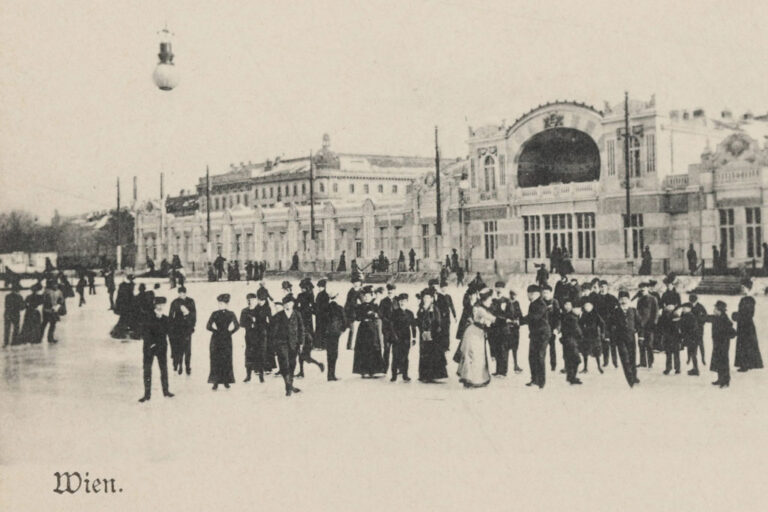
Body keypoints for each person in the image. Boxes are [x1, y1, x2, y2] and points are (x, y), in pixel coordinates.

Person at [456, 288, 496, 387]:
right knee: (474, 355)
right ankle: (471, 379)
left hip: (477, 333)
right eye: (490, 300)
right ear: (485, 300)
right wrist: (507, 320)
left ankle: (475, 378)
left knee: (477, 356)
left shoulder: (479, 307)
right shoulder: (480, 309)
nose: (491, 302)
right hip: (473, 334)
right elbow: (493, 319)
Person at [138, 296, 174, 403]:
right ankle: (147, 394)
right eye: (158, 305)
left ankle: (166, 391)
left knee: (164, 369)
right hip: (149, 348)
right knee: (147, 370)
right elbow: (144, 332)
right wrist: (151, 343)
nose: (160, 307)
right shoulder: (148, 317)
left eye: (162, 305)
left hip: (162, 347)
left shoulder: (165, 318)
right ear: (154, 305)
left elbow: (169, 333)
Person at [271, 296, 304, 396]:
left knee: (292, 364)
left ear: (293, 304)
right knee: (284, 364)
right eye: (285, 303)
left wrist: (301, 343)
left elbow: (301, 329)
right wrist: (275, 345)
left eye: (290, 303)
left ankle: (290, 385)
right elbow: (273, 332)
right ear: (283, 305)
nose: (287, 305)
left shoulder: (297, 314)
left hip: (294, 344)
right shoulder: (278, 316)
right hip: (282, 344)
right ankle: (288, 388)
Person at [206, 294, 239, 390]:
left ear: (226, 304)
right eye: (219, 303)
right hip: (216, 340)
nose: (220, 305)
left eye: (222, 303)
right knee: (215, 359)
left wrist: (230, 333)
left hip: (226, 340)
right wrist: (216, 331)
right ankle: (215, 382)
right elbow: (208, 326)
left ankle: (226, 381)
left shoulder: (231, 313)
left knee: (226, 359)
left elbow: (237, 325)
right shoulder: (214, 313)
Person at [609, 290, 641, 387]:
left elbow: (639, 324)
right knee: (625, 359)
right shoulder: (615, 312)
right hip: (620, 338)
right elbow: (609, 324)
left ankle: (634, 376)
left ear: (629, 300)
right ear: (618, 301)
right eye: (621, 299)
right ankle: (630, 379)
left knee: (632, 358)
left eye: (625, 299)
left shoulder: (634, 311)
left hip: (631, 338)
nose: (623, 301)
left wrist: (640, 335)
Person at [520, 284, 550, 388]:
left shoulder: (541, 304)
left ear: (535, 294)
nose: (528, 296)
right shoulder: (533, 304)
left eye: (529, 294)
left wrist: (519, 321)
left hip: (542, 335)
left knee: (540, 357)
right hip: (534, 334)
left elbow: (534, 317)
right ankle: (534, 379)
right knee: (532, 357)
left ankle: (541, 382)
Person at [353, 286, 386, 378]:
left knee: (374, 348)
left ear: (371, 296)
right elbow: (357, 317)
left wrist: (374, 314)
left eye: (368, 296)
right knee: (363, 349)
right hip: (363, 329)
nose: (366, 297)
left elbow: (380, 315)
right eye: (365, 296)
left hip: (372, 329)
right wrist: (363, 315)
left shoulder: (375, 305)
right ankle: (364, 371)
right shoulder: (360, 306)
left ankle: (375, 370)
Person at [240, 290, 271, 383]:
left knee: (261, 355)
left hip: (260, 336)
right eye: (249, 300)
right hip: (249, 336)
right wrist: (250, 324)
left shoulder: (261, 309)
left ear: (256, 300)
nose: (251, 302)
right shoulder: (244, 311)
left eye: (253, 300)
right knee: (249, 355)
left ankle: (261, 376)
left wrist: (257, 323)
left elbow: (267, 322)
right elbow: (241, 323)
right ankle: (248, 375)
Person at [296, 279, 324, 378]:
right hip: (308, 328)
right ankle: (302, 371)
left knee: (303, 355)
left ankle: (315, 366)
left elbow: (296, 307)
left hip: (303, 328)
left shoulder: (301, 296)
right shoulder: (311, 297)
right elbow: (315, 310)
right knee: (304, 355)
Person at [417, 288, 447, 382]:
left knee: (433, 354)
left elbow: (438, 322)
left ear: (431, 299)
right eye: (424, 298)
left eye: (428, 298)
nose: (426, 299)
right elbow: (419, 320)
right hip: (423, 335)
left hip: (433, 335)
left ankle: (434, 375)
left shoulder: (434, 308)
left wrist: (433, 331)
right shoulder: (421, 308)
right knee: (424, 354)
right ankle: (424, 375)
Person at [733, 278, 763, 372]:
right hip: (743, 324)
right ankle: (746, 363)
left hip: (747, 325)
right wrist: (736, 315)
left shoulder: (750, 300)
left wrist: (738, 316)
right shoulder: (744, 299)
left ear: (748, 288)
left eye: (743, 287)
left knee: (746, 344)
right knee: (744, 344)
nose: (742, 289)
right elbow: (742, 312)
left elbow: (749, 314)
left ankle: (745, 365)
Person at [169, 286, 197, 375]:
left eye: (183, 293)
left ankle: (187, 366)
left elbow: (194, 314)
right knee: (179, 347)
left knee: (188, 349)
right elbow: (171, 315)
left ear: (186, 293)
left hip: (187, 327)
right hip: (177, 328)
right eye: (180, 293)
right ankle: (179, 365)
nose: (182, 295)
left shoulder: (190, 301)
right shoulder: (175, 302)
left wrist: (192, 325)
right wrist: (171, 327)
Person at [488, 281, 514, 377]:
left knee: (504, 349)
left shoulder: (507, 301)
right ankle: (498, 370)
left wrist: (500, 318)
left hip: (503, 328)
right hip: (494, 328)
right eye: (497, 287)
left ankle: (503, 371)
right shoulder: (492, 300)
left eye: (501, 288)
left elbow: (510, 315)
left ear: (504, 289)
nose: (499, 289)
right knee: (496, 349)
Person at [709, 300, 736, 387]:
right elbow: (707, 318)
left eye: (715, 308)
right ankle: (720, 379)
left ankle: (725, 381)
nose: (714, 310)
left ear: (719, 310)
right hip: (717, 343)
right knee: (718, 361)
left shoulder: (725, 319)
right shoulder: (717, 317)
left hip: (723, 344)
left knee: (723, 361)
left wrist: (724, 337)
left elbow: (733, 333)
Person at [391, 293, 416, 382]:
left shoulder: (410, 313)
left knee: (405, 357)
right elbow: (392, 326)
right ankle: (394, 375)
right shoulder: (394, 312)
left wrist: (414, 338)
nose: (402, 303)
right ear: (398, 302)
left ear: (407, 302)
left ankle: (405, 375)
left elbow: (413, 326)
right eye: (401, 301)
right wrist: (394, 336)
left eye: (404, 301)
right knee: (395, 356)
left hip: (406, 337)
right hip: (396, 337)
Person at [324, 293, 347, 381]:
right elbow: (345, 321)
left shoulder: (325, 308)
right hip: (335, 334)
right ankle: (332, 375)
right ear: (337, 297)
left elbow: (321, 322)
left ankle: (329, 375)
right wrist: (341, 331)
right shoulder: (339, 308)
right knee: (334, 354)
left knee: (329, 354)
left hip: (327, 333)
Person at [578, 297, 604, 374]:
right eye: (586, 306)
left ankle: (599, 367)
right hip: (585, 336)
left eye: (589, 306)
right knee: (585, 352)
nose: (587, 307)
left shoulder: (596, 314)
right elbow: (579, 324)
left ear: (592, 306)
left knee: (596, 352)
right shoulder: (583, 315)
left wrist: (602, 333)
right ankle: (585, 368)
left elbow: (602, 324)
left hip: (594, 336)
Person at [559, 299, 583, 384]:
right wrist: (581, 337)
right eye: (577, 308)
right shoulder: (572, 317)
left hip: (567, 340)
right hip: (571, 341)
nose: (578, 310)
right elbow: (577, 330)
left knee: (569, 359)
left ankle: (570, 377)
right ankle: (572, 378)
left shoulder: (568, 316)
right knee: (575, 360)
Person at [636, 282, 658, 368]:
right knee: (641, 343)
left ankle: (650, 362)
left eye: (644, 289)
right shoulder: (639, 299)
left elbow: (655, 312)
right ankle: (643, 362)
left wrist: (654, 323)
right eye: (641, 289)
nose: (642, 290)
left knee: (649, 344)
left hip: (649, 325)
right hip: (641, 325)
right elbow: (637, 312)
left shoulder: (653, 299)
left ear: (648, 289)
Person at [541, 284, 560, 371]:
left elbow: (558, 316)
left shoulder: (554, 302)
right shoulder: (541, 302)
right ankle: (542, 365)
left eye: (547, 293)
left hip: (551, 328)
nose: (545, 294)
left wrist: (557, 328)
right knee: (542, 348)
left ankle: (553, 365)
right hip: (542, 329)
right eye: (544, 293)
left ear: (550, 293)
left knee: (552, 347)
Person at [379, 284, 397, 373]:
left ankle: (398, 368)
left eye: (392, 290)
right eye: (389, 291)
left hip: (396, 329)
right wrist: (387, 321)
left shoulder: (397, 300)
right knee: (386, 349)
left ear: (394, 291)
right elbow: (380, 314)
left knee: (397, 349)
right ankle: (384, 368)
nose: (390, 292)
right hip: (386, 329)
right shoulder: (383, 301)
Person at [678, 304, 700, 376]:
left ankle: (696, 369)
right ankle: (695, 368)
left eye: (685, 308)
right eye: (683, 308)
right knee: (692, 353)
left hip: (693, 337)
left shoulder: (690, 316)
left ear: (689, 309)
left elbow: (692, 327)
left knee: (693, 354)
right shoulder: (686, 315)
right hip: (691, 337)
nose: (683, 309)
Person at [659, 304, 681, 375]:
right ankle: (675, 368)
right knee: (673, 354)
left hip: (672, 337)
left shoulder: (674, 316)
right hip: (671, 337)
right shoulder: (668, 316)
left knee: (671, 354)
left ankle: (671, 368)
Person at [688, 294, 707, 366]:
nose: (692, 303)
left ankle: (703, 358)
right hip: (690, 328)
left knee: (700, 343)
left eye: (693, 302)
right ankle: (689, 357)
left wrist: (700, 322)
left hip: (699, 328)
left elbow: (705, 316)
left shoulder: (700, 306)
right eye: (691, 302)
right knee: (691, 344)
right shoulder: (688, 305)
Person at [4, 282, 25, 347]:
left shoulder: (7, 296)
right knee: (16, 328)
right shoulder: (19, 297)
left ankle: (6, 342)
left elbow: (6, 305)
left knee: (7, 328)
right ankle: (14, 341)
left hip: (7, 313)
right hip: (16, 314)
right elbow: (22, 307)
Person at [345, 276, 363, 350]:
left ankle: (350, 345)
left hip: (355, 312)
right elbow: (351, 303)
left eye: (358, 282)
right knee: (350, 328)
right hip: (349, 312)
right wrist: (359, 305)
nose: (356, 284)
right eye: (355, 283)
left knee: (351, 329)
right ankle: (349, 346)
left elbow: (362, 299)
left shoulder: (359, 291)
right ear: (353, 283)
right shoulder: (351, 291)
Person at [314, 279, 330, 350]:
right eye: (319, 287)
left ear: (324, 287)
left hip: (323, 315)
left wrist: (317, 310)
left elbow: (324, 306)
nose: (319, 288)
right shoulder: (319, 294)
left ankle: (322, 345)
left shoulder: (325, 295)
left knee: (322, 330)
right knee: (319, 329)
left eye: (321, 287)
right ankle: (318, 345)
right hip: (319, 315)